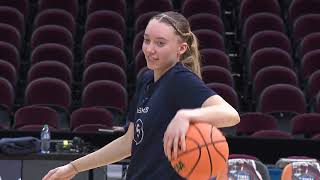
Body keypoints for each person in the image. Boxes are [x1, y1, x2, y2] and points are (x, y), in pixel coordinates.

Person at [42, 11, 240, 180]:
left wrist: (186, 116)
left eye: (160, 43)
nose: (149, 49)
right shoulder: (146, 79)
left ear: (181, 48)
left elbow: (230, 114)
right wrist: (74, 167)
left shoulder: (180, 79)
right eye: (147, 40)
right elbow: (129, 143)